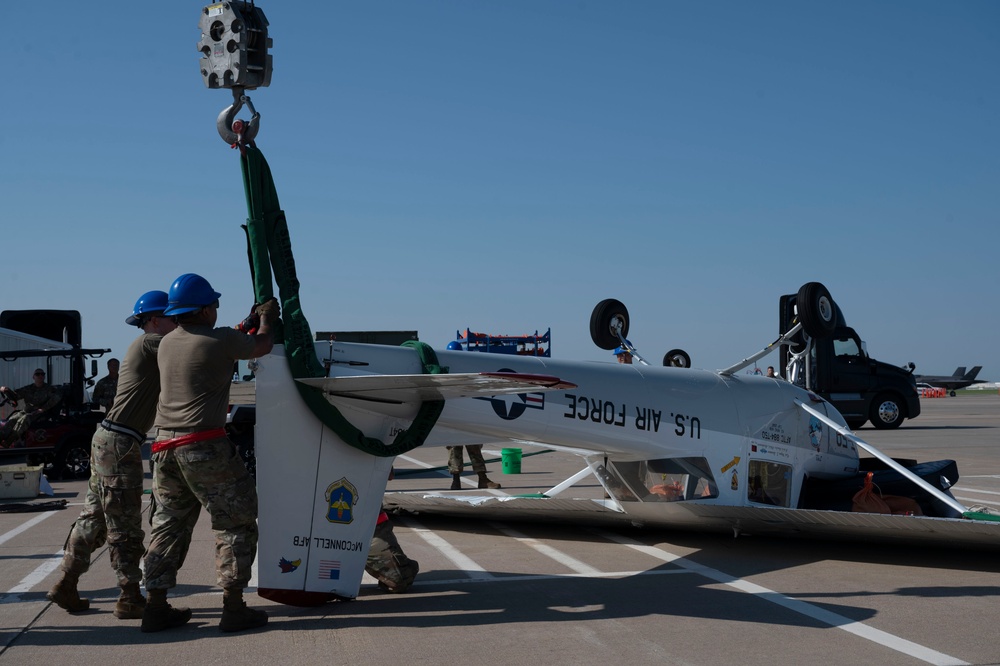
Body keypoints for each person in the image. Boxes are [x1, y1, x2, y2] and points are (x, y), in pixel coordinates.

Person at [141, 274, 277, 634]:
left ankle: (154, 606)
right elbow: (262, 345)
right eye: (213, 305)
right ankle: (234, 607)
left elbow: (220, 339)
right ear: (203, 310)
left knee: (168, 524)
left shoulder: (168, 342)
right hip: (203, 444)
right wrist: (266, 319)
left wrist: (243, 325)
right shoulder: (219, 340)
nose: (216, 310)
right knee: (237, 519)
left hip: (164, 446)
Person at [47, 291, 176, 619]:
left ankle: (67, 582)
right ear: (155, 319)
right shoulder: (151, 342)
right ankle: (130, 596)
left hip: (109, 440)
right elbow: (194, 347)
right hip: (119, 444)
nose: (179, 323)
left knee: (95, 517)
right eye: (175, 316)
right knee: (125, 523)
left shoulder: (153, 346)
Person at [0, 368, 62, 448]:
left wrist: (44, 408)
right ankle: (1, 437)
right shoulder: (28, 389)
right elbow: (15, 396)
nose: (40, 376)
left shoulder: (49, 389)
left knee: (24, 419)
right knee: (13, 419)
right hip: (27, 411)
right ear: (33, 377)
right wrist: (6, 390)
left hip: (40, 413)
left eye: (42, 374)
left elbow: (57, 397)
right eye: (37, 374)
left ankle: (8, 442)